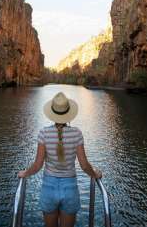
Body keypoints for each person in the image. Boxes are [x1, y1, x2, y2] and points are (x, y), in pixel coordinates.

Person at [18, 92, 102, 227]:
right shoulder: (77, 133)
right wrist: (95, 174)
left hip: (48, 188)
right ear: (68, 113)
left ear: (52, 113)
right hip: (70, 189)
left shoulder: (43, 133)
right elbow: (84, 165)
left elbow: (38, 164)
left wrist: (25, 173)